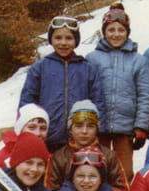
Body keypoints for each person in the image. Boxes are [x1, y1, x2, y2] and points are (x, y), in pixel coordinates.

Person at [86, 3, 149, 181]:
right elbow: (85, 92)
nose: (116, 34)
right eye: (111, 30)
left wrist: (141, 127)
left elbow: (145, 95)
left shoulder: (138, 61)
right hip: (98, 127)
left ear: (127, 32)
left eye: (121, 30)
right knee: (96, 169)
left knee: (124, 173)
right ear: (104, 32)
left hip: (126, 127)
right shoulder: (92, 58)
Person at [19, 15, 105, 152]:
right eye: (58, 38)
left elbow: (98, 102)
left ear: (76, 40)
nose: (63, 43)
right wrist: (26, 130)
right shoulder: (40, 68)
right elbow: (27, 102)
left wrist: (98, 130)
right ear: (51, 39)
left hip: (79, 138)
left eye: (69, 38)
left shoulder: (87, 68)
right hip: (46, 137)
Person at [46, 100, 129, 191]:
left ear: (97, 129)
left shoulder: (109, 156)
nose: (84, 131)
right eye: (78, 126)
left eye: (90, 126)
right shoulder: (59, 157)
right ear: (70, 129)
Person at [0, 103, 49, 168]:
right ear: (20, 130)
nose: (38, 133)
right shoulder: (2, 152)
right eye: (32, 127)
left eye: (43, 128)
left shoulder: (46, 155)